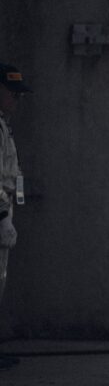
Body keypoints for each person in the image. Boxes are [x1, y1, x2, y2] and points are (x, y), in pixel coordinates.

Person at [0, 64, 31, 305]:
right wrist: (2, 216)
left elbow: (15, 173)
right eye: (13, 94)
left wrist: (19, 199)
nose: (17, 100)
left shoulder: (5, 127)